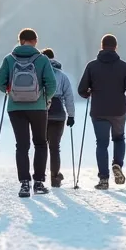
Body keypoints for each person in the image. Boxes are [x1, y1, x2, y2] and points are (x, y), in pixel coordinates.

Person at [0, 28, 57, 198]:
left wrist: (11, 91)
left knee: (22, 146)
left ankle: (24, 184)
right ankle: (38, 183)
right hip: (38, 107)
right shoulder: (43, 59)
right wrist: (45, 98)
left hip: (16, 108)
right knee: (40, 143)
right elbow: (51, 84)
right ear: (35, 41)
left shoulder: (9, 59)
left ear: (20, 40)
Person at [77, 34, 126, 190]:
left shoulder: (92, 66)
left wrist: (88, 93)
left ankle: (103, 179)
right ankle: (117, 164)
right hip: (118, 110)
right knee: (119, 138)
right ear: (116, 47)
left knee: (102, 143)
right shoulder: (125, 67)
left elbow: (81, 89)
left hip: (98, 110)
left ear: (101, 46)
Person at [41, 48, 75, 187]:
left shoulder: (38, 72)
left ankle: (39, 177)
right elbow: (69, 97)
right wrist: (71, 115)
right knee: (55, 147)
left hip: (41, 112)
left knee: (41, 146)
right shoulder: (62, 76)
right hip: (58, 114)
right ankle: (55, 177)